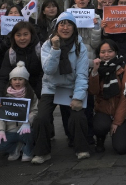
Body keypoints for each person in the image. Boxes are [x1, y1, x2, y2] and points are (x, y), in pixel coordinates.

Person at [31, 12, 90, 164]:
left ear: (74, 27)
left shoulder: (80, 47)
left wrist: (78, 97)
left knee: (78, 116)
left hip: (71, 87)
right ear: (56, 28)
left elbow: (82, 75)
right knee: (41, 118)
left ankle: (81, 148)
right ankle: (42, 152)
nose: (65, 28)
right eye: (62, 24)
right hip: (51, 87)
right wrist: (55, 49)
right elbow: (48, 70)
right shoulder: (47, 45)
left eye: (69, 24)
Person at [89, 40, 126, 154]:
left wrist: (117, 121)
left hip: (120, 112)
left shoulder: (125, 69)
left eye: (110, 51)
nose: (106, 55)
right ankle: (100, 138)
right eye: (102, 52)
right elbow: (93, 91)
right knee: (100, 126)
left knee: (121, 148)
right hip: (103, 111)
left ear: (116, 52)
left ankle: (125, 130)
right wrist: (94, 72)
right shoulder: (97, 68)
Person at [70, 0, 102, 145]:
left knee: (88, 103)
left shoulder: (95, 16)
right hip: (72, 65)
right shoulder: (67, 16)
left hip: (88, 64)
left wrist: (96, 27)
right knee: (71, 103)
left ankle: (89, 135)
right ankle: (73, 136)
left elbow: (96, 45)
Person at [0, 62, 38, 162]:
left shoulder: (31, 94)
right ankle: (16, 148)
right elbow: (0, 116)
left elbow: (35, 110)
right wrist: (0, 131)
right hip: (10, 130)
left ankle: (27, 150)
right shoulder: (5, 97)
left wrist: (27, 122)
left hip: (24, 130)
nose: (17, 82)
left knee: (29, 135)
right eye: (14, 79)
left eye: (20, 79)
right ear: (10, 81)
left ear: (25, 81)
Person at [0, 21, 43, 103]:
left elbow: (45, 74)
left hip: (39, 94)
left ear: (31, 35)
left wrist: (37, 95)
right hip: (17, 95)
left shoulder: (41, 49)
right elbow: (3, 77)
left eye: (25, 34)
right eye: (18, 35)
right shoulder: (10, 53)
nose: (22, 38)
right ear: (13, 37)